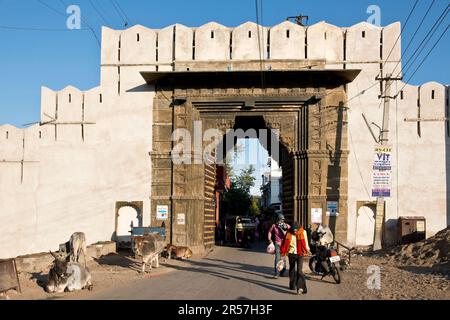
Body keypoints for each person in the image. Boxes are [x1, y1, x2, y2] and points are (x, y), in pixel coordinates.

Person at [281, 221, 310, 295]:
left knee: (299, 271)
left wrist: (307, 250)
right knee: (292, 269)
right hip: (291, 253)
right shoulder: (288, 232)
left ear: (298, 228)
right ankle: (292, 285)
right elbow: (284, 242)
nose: (295, 231)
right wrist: (283, 252)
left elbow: (306, 242)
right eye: (293, 230)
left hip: (300, 253)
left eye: (296, 230)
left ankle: (301, 288)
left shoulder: (303, 232)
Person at [268, 214, 290, 278]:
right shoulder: (274, 226)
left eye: (282, 220)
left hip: (284, 244)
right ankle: (277, 273)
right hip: (277, 244)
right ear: (277, 220)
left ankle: (282, 272)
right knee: (277, 258)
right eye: (280, 220)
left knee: (283, 259)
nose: (281, 221)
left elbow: (292, 230)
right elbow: (269, 232)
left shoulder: (286, 225)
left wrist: (286, 228)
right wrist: (269, 239)